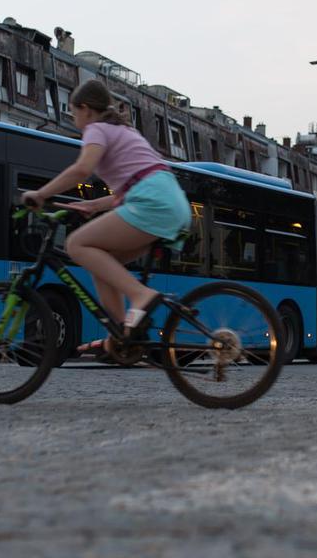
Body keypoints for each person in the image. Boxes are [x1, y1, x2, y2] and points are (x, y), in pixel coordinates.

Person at [21, 79, 191, 353]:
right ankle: (124, 333)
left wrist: (41, 194)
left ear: (85, 109)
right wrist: (93, 206)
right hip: (169, 202)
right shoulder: (122, 130)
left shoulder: (96, 129)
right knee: (101, 261)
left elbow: (81, 170)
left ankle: (140, 295)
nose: (74, 118)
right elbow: (131, 187)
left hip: (153, 203)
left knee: (77, 244)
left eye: (73, 112)